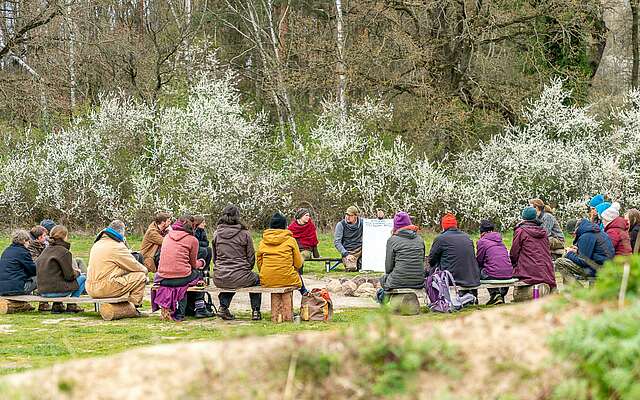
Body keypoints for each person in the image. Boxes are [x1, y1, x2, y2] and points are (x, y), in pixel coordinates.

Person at [153, 214, 213, 321]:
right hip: (181, 278)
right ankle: (200, 307)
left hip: (163, 279)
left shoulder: (167, 237)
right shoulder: (192, 239)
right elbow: (193, 264)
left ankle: (189, 308)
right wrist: (202, 262)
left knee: (192, 274)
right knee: (199, 275)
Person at [212, 205, 262, 321]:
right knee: (257, 280)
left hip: (220, 276)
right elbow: (251, 257)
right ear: (237, 217)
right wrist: (246, 269)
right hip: (240, 274)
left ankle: (223, 307)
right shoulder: (244, 233)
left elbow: (214, 259)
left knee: (231, 279)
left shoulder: (216, 234)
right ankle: (255, 311)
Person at [86, 220, 148, 310]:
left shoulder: (97, 244)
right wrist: (145, 270)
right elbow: (134, 265)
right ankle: (133, 306)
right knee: (141, 276)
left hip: (90, 288)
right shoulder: (116, 246)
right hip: (105, 288)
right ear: (122, 232)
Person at [428, 213, 480, 296]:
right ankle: (471, 296)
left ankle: (439, 300)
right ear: (456, 225)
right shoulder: (467, 237)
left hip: (452, 278)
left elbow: (431, 260)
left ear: (443, 226)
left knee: (433, 269)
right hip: (471, 277)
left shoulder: (440, 239)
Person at [36, 225, 85, 313]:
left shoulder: (45, 250)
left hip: (43, 291)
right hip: (55, 291)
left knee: (58, 281)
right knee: (83, 278)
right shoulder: (64, 252)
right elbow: (69, 276)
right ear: (65, 236)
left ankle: (57, 305)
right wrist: (78, 272)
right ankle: (72, 305)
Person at [377, 212, 425, 302]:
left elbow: (388, 267)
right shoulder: (420, 239)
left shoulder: (392, 240)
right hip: (419, 281)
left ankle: (382, 299)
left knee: (384, 279)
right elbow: (421, 261)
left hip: (398, 281)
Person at [510, 207, 556, 298]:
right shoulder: (543, 232)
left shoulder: (520, 231)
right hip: (546, 271)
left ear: (523, 217)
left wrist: (512, 264)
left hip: (529, 270)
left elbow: (514, 253)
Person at [257, 213, 304, 298]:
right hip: (288, 279)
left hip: (267, 280)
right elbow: (298, 263)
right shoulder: (291, 240)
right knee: (296, 276)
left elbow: (259, 263)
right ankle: (304, 293)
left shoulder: (263, 241)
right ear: (285, 225)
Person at [555, 218, 615, 283]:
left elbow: (583, 261)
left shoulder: (586, 236)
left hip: (597, 269)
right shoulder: (594, 231)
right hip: (605, 265)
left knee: (560, 262)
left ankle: (576, 290)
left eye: (572, 234)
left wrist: (569, 253)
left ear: (575, 230)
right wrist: (576, 251)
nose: (573, 237)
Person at [475, 219, 513, 304]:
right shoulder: (500, 241)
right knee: (494, 268)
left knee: (479, 270)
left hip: (493, 273)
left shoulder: (482, 241)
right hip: (509, 273)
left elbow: (479, 261)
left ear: (482, 232)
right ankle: (500, 296)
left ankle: (495, 294)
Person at [0, 230, 37, 296]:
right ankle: (44, 303)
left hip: (2, 289)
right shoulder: (23, 252)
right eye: (28, 241)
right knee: (40, 277)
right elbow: (34, 271)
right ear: (24, 241)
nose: (29, 244)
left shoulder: (6, 251)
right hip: (16, 289)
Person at [334, 206, 363, 272]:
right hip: (348, 251)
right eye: (347, 214)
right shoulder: (341, 225)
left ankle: (360, 262)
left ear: (356, 216)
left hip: (361, 249)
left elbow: (373, 225)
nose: (347, 217)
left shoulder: (362, 223)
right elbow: (337, 242)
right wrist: (346, 254)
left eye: (350, 215)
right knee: (351, 268)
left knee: (369, 267)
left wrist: (380, 218)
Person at [193, 215, 213, 280]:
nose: (205, 224)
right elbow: (195, 243)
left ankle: (206, 270)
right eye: (203, 223)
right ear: (198, 223)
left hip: (201, 247)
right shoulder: (194, 231)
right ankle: (199, 270)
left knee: (209, 250)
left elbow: (207, 242)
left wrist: (200, 243)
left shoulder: (202, 231)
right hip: (194, 249)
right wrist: (201, 243)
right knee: (203, 250)